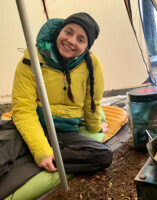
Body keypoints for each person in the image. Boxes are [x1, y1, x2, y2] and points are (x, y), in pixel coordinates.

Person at [11, 12, 113, 173]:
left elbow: (92, 102)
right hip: (35, 124)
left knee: (103, 155)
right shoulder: (32, 59)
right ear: (60, 31)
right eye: (68, 32)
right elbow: (23, 110)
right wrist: (40, 150)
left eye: (81, 39)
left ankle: (38, 158)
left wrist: (95, 127)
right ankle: (41, 155)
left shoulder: (91, 64)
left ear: (87, 47)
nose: (71, 41)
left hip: (66, 132)